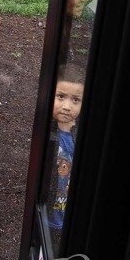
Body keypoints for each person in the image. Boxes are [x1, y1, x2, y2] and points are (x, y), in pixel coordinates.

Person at [49, 63, 84, 231]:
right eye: (61, 96)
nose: (67, 106)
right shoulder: (45, 133)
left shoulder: (82, 134)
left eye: (75, 100)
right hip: (47, 213)